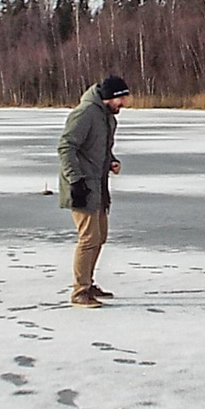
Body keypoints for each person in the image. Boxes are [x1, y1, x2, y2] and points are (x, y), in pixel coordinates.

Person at [58, 74, 129, 308]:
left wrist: (111, 161)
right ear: (110, 97)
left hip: (98, 185)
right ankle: (80, 292)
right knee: (88, 239)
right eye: (122, 99)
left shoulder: (108, 117)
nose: (124, 104)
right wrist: (75, 180)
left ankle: (88, 284)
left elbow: (99, 149)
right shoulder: (85, 113)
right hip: (82, 186)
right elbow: (66, 146)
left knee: (100, 237)